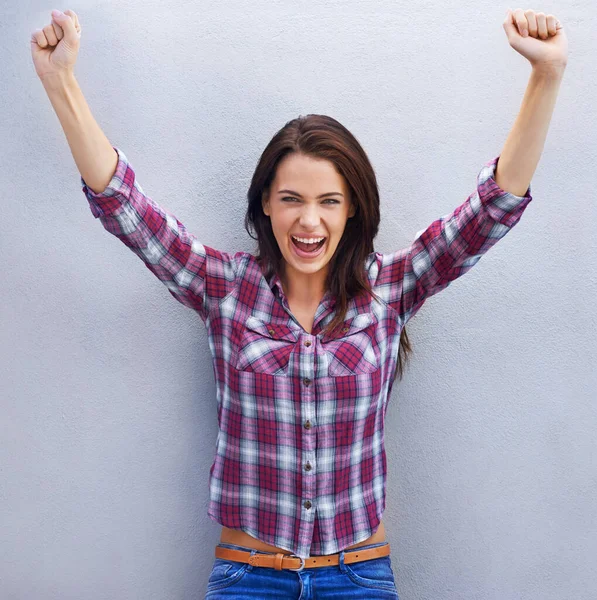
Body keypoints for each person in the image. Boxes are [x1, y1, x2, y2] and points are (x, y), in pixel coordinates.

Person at [32, 8, 567, 599]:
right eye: (291, 199)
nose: (309, 221)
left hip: (358, 576)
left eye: (329, 202)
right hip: (246, 576)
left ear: (352, 209)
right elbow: (124, 206)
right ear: (265, 203)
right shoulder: (224, 288)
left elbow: (493, 208)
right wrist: (62, 82)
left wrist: (546, 76)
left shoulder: (390, 288)